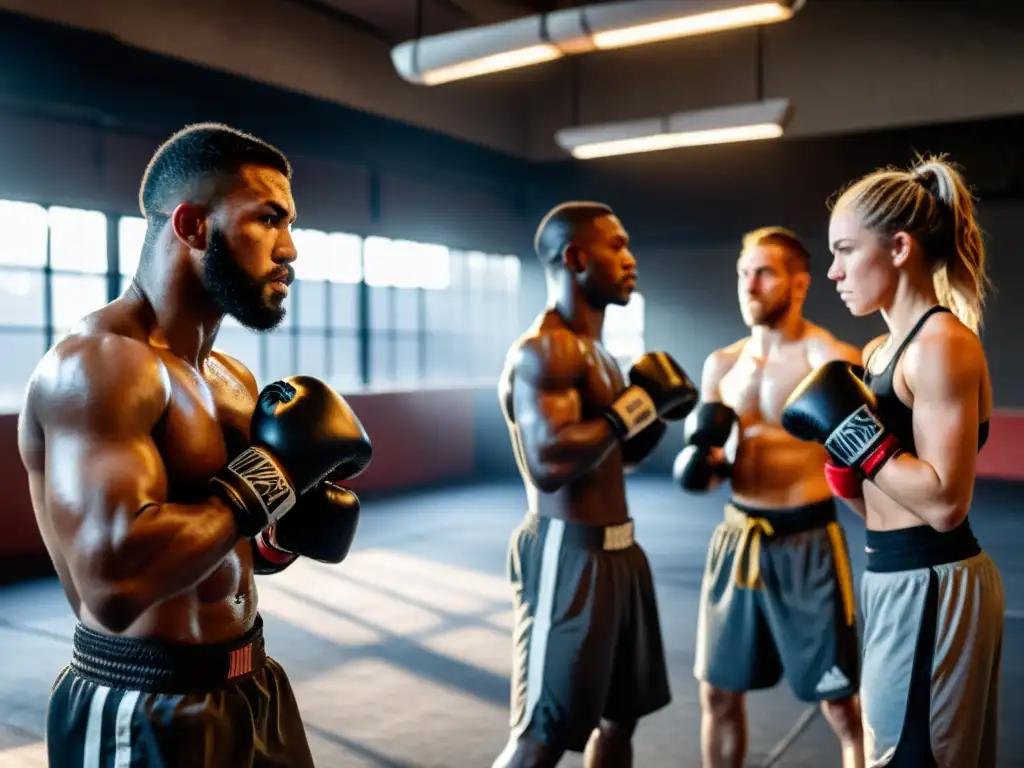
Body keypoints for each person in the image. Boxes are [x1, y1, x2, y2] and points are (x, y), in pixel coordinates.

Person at [17, 122, 373, 767]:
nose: (290, 249)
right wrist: (272, 479)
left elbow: (225, 547)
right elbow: (114, 585)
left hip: (251, 684)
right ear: (192, 227)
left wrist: (280, 534)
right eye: (269, 219)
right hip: (144, 702)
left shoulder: (230, 378)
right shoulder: (100, 365)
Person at [781, 155, 1004, 767]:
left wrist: (858, 440)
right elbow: (874, 500)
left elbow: (942, 503)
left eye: (846, 250)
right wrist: (840, 465)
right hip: (888, 572)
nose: (833, 272)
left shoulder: (941, 345)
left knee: (915, 758)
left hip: (933, 577)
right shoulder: (879, 352)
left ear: (900, 247)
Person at [492, 201, 697, 768]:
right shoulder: (544, 348)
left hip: (620, 555)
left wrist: (651, 414)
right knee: (542, 735)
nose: (631, 260)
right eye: (617, 245)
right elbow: (549, 462)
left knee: (618, 716)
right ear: (576, 257)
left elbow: (618, 456)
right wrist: (633, 406)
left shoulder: (600, 354)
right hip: (568, 553)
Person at [674, 226, 865, 768]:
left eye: (764, 273)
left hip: (808, 542)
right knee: (716, 692)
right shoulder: (721, 365)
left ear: (799, 284)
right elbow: (714, 470)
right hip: (738, 540)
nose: (749, 285)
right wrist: (704, 469)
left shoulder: (827, 356)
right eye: (743, 273)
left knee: (842, 706)